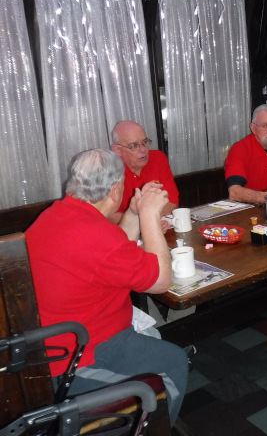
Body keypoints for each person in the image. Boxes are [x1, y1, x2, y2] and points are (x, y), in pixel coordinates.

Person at [25, 149, 188, 425]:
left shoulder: (57, 214)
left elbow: (111, 249)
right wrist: (149, 215)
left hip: (56, 343)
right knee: (172, 364)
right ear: (115, 191)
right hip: (76, 359)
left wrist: (134, 213)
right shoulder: (96, 234)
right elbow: (161, 281)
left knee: (159, 348)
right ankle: (155, 429)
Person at [111, 120, 179, 223]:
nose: (143, 150)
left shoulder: (157, 158)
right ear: (117, 150)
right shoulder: (108, 171)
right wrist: (149, 220)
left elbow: (172, 202)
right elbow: (108, 216)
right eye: (134, 146)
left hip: (161, 224)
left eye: (145, 142)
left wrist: (144, 218)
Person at [224, 104, 267, 204]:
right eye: (264, 126)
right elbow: (234, 192)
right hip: (247, 206)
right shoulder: (240, 149)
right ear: (253, 128)